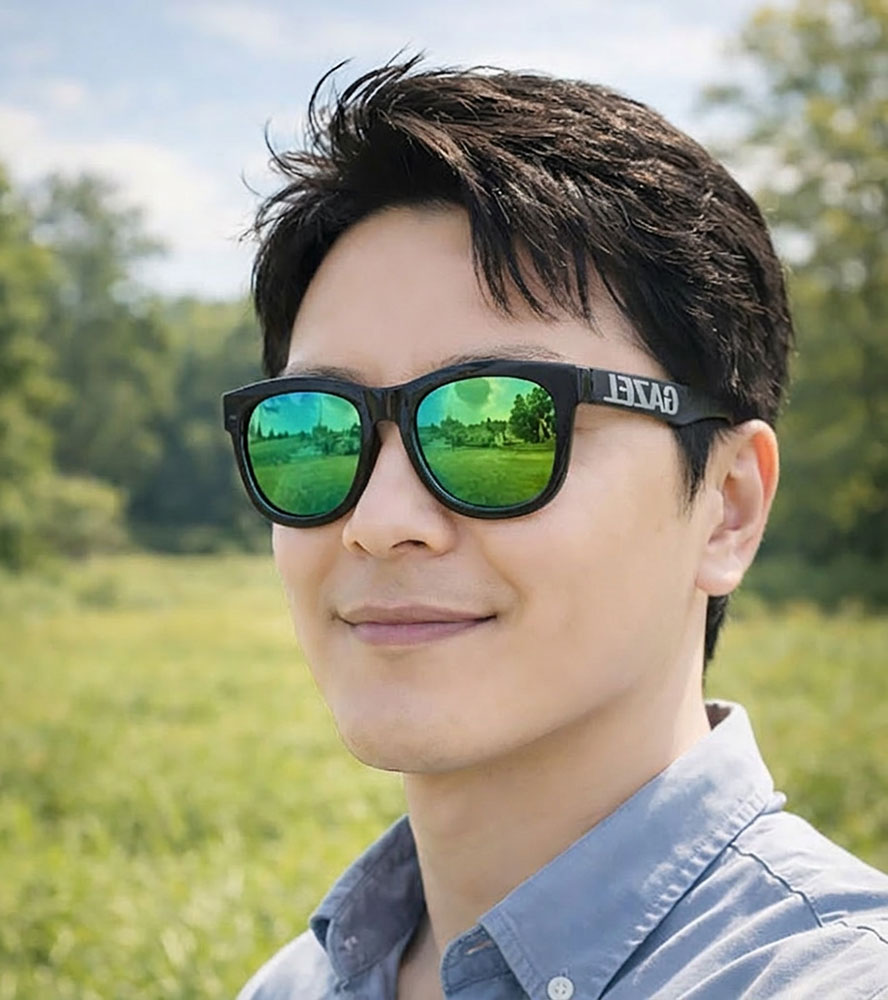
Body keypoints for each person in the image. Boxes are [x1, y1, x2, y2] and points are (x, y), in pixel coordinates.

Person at [226, 58, 888, 999]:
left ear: (728, 506)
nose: (378, 522)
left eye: (503, 419)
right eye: (314, 431)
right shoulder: (294, 985)